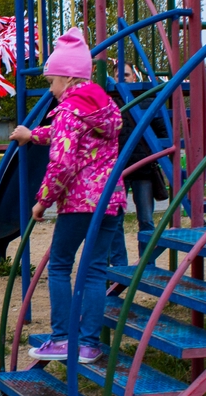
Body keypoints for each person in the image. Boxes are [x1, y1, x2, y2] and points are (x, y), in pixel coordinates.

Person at [9, 27, 126, 365]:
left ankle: (61, 338)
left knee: (60, 265)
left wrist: (42, 200)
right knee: (93, 270)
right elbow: (70, 135)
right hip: (110, 201)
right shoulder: (104, 108)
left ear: (67, 78)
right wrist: (34, 135)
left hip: (78, 203)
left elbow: (62, 162)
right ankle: (88, 344)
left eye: (51, 81)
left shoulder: (68, 110)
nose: (51, 88)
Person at [113, 62, 168, 267]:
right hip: (117, 170)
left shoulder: (146, 101)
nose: (122, 79)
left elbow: (163, 134)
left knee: (145, 218)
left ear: (134, 78)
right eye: (118, 75)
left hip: (143, 168)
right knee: (115, 219)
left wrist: (156, 156)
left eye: (126, 75)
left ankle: (147, 263)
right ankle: (119, 265)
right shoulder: (111, 102)